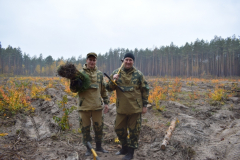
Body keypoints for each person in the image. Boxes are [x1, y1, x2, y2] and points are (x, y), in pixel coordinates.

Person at [106, 52, 149, 160]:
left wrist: (144, 105)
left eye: (130, 60)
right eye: (127, 60)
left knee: (134, 131)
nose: (128, 62)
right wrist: (113, 79)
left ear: (133, 62)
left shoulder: (138, 74)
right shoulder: (117, 72)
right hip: (122, 108)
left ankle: (130, 153)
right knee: (119, 129)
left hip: (135, 108)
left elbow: (145, 90)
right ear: (123, 61)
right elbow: (109, 88)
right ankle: (124, 148)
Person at [70, 52, 109, 156]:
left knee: (99, 127)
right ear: (86, 60)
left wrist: (106, 102)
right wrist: (73, 81)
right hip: (84, 107)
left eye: (94, 60)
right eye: (90, 60)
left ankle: (99, 147)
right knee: (85, 129)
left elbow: (103, 90)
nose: (92, 62)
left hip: (97, 106)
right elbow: (74, 90)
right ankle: (88, 149)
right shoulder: (80, 73)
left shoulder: (100, 74)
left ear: (96, 61)